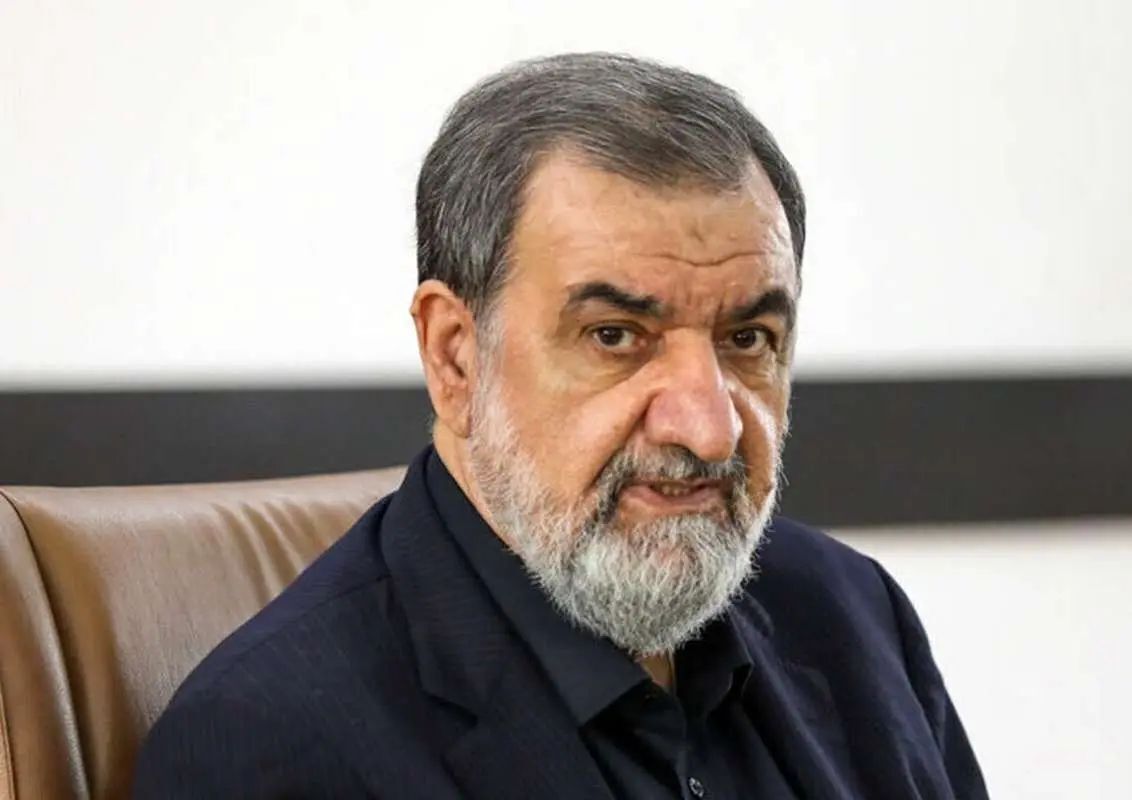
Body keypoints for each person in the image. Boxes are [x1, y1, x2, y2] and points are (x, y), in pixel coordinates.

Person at [134, 52, 988, 799]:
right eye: (615, 337)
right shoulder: (271, 746)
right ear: (455, 357)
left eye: (747, 339)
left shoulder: (850, 617)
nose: (709, 429)